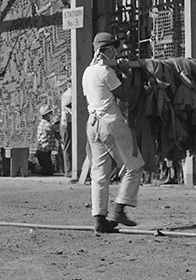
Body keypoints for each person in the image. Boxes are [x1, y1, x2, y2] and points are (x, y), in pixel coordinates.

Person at [82, 31, 144, 234]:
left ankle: (100, 219)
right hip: (110, 124)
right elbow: (124, 96)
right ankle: (119, 209)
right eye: (113, 49)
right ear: (105, 50)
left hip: (92, 124)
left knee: (99, 173)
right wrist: (126, 73)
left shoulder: (88, 72)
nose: (116, 53)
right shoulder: (105, 72)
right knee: (133, 166)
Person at [35, 105, 56, 175]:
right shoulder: (46, 124)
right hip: (43, 151)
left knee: (47, 168)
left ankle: (41, 169)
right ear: (46, 115)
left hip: (44, 150)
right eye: (50, 113)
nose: (51, 115)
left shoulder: (43, 123)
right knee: (49, 171)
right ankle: (34, 168)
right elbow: (52, 128)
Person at [59, 87, 73, 178]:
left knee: (68, 147)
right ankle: (69, 171)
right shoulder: (69, 94)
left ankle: (69, 170)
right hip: (68, 122)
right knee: (68, 147)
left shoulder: (68, 94)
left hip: (68, 122)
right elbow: (68, 107)